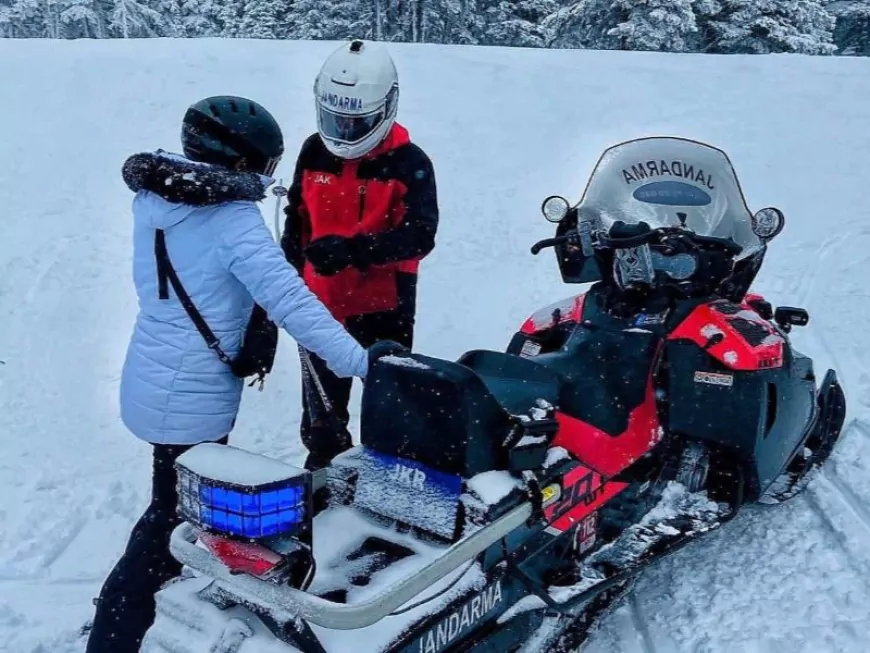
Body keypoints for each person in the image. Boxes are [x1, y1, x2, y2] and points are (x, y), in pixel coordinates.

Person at [86, 95, 395, 653]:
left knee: (178, 499)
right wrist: (362, 362)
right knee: (169, 518)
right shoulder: (230, 219)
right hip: (191, 393)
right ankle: (115, 629)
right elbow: (292, 303)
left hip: (151, 373)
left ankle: (165, 593)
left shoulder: (158, 193)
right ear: (238, 163)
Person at [280, 39, 439, 471]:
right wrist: (284, 278)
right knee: (322, 416)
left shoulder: (410, 163)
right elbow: (297, 218)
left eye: (357, 123)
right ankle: (324, 475)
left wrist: (355, 251)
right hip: (318, 304)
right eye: (337, 121)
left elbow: (421, 236)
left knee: (387, 405)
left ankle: (385, 475)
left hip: (384, 307)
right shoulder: (314, 151)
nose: (345, 133)